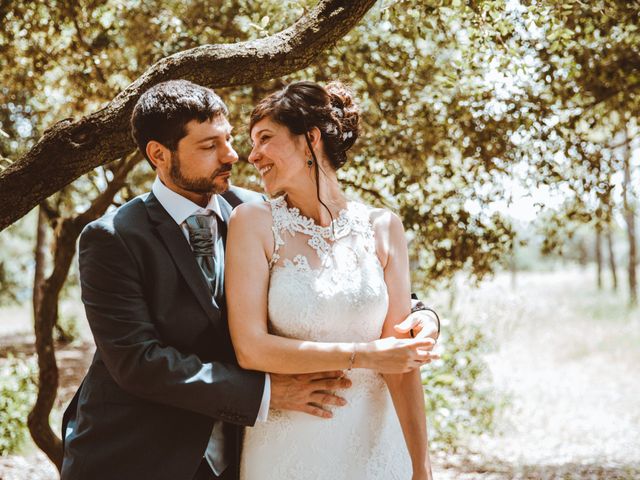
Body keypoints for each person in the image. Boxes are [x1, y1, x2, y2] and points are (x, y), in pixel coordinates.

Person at [60, 79, 439, 480]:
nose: (233, 155)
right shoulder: (114, 237)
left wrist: (422, 314)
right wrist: (265, 393)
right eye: (209, 146)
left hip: (242, 454)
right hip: (139, 454)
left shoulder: (260, 213)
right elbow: (138, 362)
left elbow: (339, 275)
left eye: (227, 139)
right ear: (159, 154)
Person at [226, 80, 437, 480]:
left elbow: (402, 360)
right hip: (289, 449)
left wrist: (420, 466)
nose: (252, 156)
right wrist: (364, 355)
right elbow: (251, 349)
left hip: (375, 443)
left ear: (310, 139)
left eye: (265, 139)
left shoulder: (383, 227)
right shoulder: (254, 223)